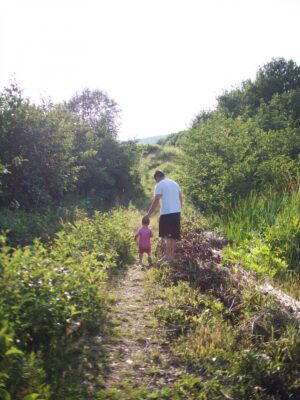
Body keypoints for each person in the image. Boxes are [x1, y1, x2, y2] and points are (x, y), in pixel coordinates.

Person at [144, 170, 182, 263]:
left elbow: (156, 200)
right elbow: (180, 197)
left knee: (168, 235)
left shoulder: (159, 184)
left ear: (157, 177)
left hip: (167, 213)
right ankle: (170, 257)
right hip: (176, 212)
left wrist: (148, 215)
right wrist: (179, 209)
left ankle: (168, 257)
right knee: (173, 236)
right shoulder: (174, 183)